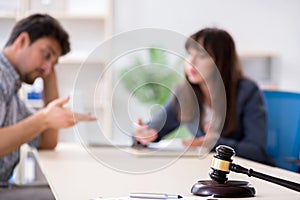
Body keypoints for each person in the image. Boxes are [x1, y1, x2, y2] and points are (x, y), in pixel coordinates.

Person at [134, 27, 273, 165]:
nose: (191, 62)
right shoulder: (184, 92)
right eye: (189, 54)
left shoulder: (247, 92)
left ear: (222, 62)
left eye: (201, 56)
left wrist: (216, 143)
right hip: (206, 169)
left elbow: (257, 151)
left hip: (244, 172)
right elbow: (154, 129)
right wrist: (143, 134)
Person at [0, 14, 96, 199]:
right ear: (22, 40)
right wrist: (43, 119)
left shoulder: (12, 90)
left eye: (53, 63)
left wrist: (50, 75)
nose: (47, 68)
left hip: (5, 187)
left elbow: (47, 142)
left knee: (68, 192)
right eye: (46, 54)